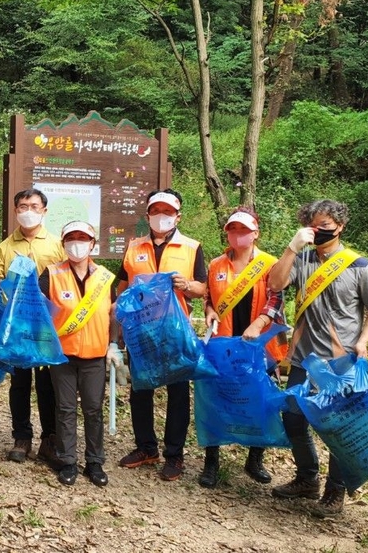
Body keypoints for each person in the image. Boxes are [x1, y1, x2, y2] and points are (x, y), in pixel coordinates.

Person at [268, 199, 368, 517]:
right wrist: (291, 248)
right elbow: (275, 283)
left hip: (341, 360)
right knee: (293, 418)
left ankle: (335, 492)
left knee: (337, 426)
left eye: (325, 227)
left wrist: (363, 340)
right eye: (313, 226)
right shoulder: (302, 259)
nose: (319, 232)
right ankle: (307, 478)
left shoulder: (360, 266)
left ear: (340, 226)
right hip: (304, 358)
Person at [116, 188, 207, 481]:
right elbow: (122, 286)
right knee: (140, 389)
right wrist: (118, 322)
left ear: (178, 215)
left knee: (178, 392)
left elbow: (203, 289)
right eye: (156, 211)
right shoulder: (134, 247)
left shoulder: (192, 247)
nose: (161, 217)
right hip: (141, 331)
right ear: (147, 215)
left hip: (174, 331)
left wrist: (186, 285)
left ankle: (174, 454)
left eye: (167, 212)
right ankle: (146, 447)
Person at [199, 207, 287, 488]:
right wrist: (210, 309)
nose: (238, 235)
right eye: (233, 230)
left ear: (255, 234)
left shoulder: (270, 264)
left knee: (258, 400)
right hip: (223, 344)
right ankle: (211, 462)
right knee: (216, 400)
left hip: (257, 344)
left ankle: (254, 459)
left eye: (244, 231)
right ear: (227, 233)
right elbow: (211, 298)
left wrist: (259, 324)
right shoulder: (216, 265)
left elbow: (276, 300)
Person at [39, 221, 116, 487]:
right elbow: (37, 310)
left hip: (95, 354)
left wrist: (114, 345)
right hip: (62, 355)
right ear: (63, 244)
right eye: (71, 238)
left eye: (82, 238)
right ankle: (68, 460)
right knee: (65, 409)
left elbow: (113, 313)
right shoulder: (51, 274)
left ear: (93, 244)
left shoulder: (105, 277)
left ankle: (95, 462)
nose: (77, 243)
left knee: (94, 409)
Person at [0, 188, 65, 464]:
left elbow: (65, 279)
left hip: (47, 326)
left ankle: (50, 439)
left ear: (44, 210)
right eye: (23, 206)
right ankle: (21, 437)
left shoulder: (56, 244)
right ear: (15, 211)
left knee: (48, 385)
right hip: (18, 328)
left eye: (34, 206)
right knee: (19, 384)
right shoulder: (6, 246)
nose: (28, 211)